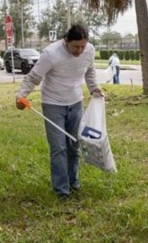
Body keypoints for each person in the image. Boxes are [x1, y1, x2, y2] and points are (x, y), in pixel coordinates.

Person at [16, 24, 104, 199]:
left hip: (76, 103)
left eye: (83, 46)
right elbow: (33, 77)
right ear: (66, 41)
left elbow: (89, 71)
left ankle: (74, 182)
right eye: (75, 46)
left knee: (74, 145)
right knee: (59, 148)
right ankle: (62, 190)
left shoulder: (89, 50)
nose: (79, 50)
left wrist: (94, 88)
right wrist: (20, 96)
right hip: (53, 104)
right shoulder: (51, 54)